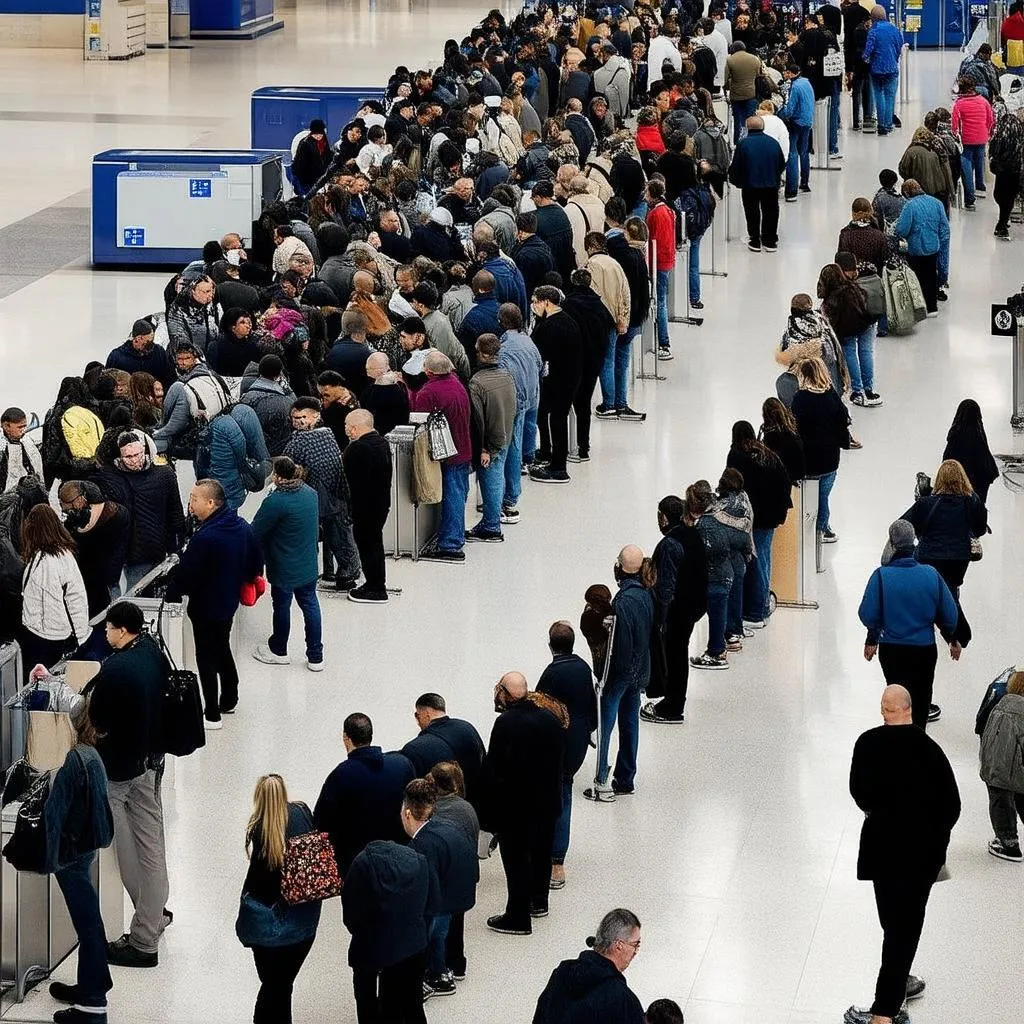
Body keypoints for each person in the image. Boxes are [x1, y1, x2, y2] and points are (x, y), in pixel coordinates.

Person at [846, 685, 960, 1024]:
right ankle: (890, 1003)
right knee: (903, 928)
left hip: (882, 851)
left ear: (883, 709)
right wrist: (936, 841)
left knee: (894, 924)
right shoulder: (931, 750)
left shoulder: (867, 744)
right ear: (910, 709)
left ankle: (887, 1005)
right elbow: (952, 807)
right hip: (921, 857)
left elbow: (859, 791)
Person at [87, 600, 169, 970]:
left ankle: (144, 940)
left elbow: (96, 718)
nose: (104, 634)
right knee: (150, 844)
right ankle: (152, 916)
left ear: (121, 630)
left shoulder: (115, 669)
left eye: (107, 628)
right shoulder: (152, 651)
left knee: (133, 850)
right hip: (152, 760)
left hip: (121, 773)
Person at [166, 479, 263, 728]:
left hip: (204, 607)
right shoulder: (242, 527)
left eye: (194, 499)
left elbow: (187, 577)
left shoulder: (205, 538)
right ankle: (230, 697)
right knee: (222, 647)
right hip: (229, 603)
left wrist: (172, 591)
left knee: (205, 658)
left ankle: (211, 714)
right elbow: (255, 565)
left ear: (211, 503)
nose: (190, 504)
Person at [43, 704, 115, 1024]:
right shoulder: (92, 756)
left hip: (70, 855)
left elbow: (54, 815)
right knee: (89, 921)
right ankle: (92, 982)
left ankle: (93, 1005)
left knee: (88, 925)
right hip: (86, 847)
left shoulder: (74, 760)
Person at [482, 671, 565, 935]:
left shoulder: (506, 723)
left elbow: (495, 769)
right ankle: (538, 902)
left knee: (516, 861)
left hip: (517, 809)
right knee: (541, 854)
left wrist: (488, 814)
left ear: (505, 693)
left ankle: (517, 917)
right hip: (548, 803)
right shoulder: (549, 718)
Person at [858, 520, 960, 729]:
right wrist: (952, 639)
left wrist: (872, 638)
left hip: (893, 651)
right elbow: (949, 615)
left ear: (892, 544)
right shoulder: (931, 574)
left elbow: (868, 614)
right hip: (924, 650)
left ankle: (896, 745)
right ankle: (918, 741)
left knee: (897, 699)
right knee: (921, 701)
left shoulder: (881, 576)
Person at [237, 774, 321, 1024]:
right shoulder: (302, 813)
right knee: (282, 986)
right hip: (305, 926)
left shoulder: (260, 832)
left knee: (273, 986)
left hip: (270, 932)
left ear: (259, 798)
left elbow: (256, 885)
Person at [585, 546, 655, 803]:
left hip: (621, 673)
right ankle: (626, 777)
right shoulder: (646, 595)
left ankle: (601, 778)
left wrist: (609, 676)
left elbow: (618, 644)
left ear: (622, 568)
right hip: (639, 671)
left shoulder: (622, 602)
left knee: (606, 723)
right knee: (630, 724)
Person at [342, 837, 434, 1024]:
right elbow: (430, 904)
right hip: (413, 942)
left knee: (365, 991)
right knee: (412, 1001)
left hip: (369, 943)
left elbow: (351, 913)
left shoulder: (361, 864)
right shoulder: (419, 861)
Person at [401, 778, 478, 997]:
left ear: (407, 813)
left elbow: (425, 890)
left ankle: (429, 977)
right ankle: (440, 972)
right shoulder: (446, 826)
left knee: (428, 932)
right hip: (460, 891)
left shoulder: (421, 844)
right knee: (441, 931)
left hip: (444, 897)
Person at [314, 712, 415, 874]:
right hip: (400, 858)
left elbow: (321, 821)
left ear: (346, 738)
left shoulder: (340, 775)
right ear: (371, 735)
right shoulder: (402, 764)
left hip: (357, 864)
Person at [536, 621, 598, 887]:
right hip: (578, 742)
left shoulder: (552, 673)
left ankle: (553, 858)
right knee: (566, 788)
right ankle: (556, 858)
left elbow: (539, 704)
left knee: (556, 794)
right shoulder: (584, 668)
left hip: (557, 743)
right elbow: (592, 703)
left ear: (550, 645)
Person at [901, 458, 987, 649]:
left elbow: (902, 526)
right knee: (950, 588)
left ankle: (941, 625)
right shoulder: (972, 501)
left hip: (927, 557)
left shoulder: (926, 504)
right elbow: (980, 529)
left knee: (931, 591)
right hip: (958, 558)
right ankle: (955, 627)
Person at [250, 456, 323, 670]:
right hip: (308, 563)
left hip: (284, 566)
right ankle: (315, 656)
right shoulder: (311, 494)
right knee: (310, 605)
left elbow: (256, 531)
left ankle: (279, 649)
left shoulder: (277, 501)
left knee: (281, 605)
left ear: (279, 477)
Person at [283, 397, 361, 590]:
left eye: (301, 417)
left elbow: (285, 462)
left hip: (321, 494)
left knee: (333, 537)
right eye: (294, 418)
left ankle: (342, 571)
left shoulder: (300, 440)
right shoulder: (328, 434)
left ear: (315, 416)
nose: (297, 422)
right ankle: (342, 572)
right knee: (338, 535)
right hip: (336, 491)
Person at [642, 496, 708, 723]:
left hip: (678, 609)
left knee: (675, 654)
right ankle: (671, 699)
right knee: (678, 652)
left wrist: (660, 617)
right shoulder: (692, 534)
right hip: (695, 604)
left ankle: (672, 706)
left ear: (663, 517)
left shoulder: (670, 544)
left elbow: (666, 587)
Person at [94, 434, 185, 591]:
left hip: (151, 550)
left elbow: (175, 513)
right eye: (128, 456)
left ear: (145, 450)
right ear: (120, 456)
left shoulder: (164, 475)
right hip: (121, 553)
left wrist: (175, 548)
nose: (134, 460)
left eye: (137, 455)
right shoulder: (107, 477)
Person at [726, 423, 792, 627]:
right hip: (770, 517)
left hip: (749, 518)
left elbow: (732, 484)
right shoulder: (768, 454)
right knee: (763, 559)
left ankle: (755, 611)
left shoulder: (736, 455)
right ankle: (761, 603)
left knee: (751, 562)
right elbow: (785, 482)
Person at [410, 351, 472, 562]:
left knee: (452, 495)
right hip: (464, 447)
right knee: (460, 492)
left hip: (446, 452)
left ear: (428, 371)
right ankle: (455, 534)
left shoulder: (428, 392)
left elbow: (418, 423)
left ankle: (451, 544)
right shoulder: (457, 383)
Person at [532, 908, 645, 1024]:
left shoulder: (561, 974)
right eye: (635, 944)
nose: (636, 952)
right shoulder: (624, 1001)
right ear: (619, 945)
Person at [18, 504, 89, 672]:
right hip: (63, 633)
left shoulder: (42, 562)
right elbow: (76, 597)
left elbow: (40, 602)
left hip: (42, 635)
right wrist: (80, 634)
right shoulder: (65, 554)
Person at [791, 357, 851, 543]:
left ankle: (815, 529)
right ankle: (823, 528)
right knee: (823, 495)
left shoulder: (800, 399)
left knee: (812, 497)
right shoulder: (831, 395)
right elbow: (844, 420)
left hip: (809, 460)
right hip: (830, 458)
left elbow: (795, 427)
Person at [529, 286, 583, 484]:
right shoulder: (566, 321)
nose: (533, 306)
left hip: (559, 381)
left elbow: (537, 349)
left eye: (536, 302)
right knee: (548, 415)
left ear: (547, 303)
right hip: (569, 379)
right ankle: (546, 452)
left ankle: (559, 467)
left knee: (557, 420)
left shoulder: (552, 326)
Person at [340, 409, 393, 602]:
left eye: (347, 425)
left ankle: (375, 588)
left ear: (353, 429)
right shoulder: (382, 443)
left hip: (364, 507)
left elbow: (347, 479)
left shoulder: (357, 449)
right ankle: (376, 583)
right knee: (375, 544)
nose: (345, 429)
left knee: (367, 546)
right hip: (380, 504)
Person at [496, 304, 543, 520]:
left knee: (510, 449)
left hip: (515, 401)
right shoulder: (528, 341)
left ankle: (509, 500)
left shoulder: (504, 350)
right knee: (523, 438)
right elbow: (541, 366)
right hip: (531, 396)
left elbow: (503, 379)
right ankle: (528, 458)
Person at [468, 334, 516, 542]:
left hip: (490, 444)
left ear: (483, 354)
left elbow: (478, 420)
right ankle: (491, 520)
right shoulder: (507, 376)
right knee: (498, 480)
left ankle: (491, 526)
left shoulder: (477, 383)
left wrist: (484, 448)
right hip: (505, 435)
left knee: (491, 483)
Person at [401, 694, 486, 809]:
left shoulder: (415, 749)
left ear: (426, 714)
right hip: (477, 807)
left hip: (443, 813)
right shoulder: (467, 727)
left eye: (417, 716)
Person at [58, 479, 129, 616]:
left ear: (80, 501)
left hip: (104, 577)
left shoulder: (115, 516)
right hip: (92, 577)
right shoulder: (113, 514)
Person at [818, 255, 880, 408]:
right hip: (866, 322)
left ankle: (857, 390)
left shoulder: (832, 296)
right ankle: (869, 388)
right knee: (866, 352)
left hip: (848, 329)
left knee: (850, 353)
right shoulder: (855, 286)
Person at [979, 671, 1024, 861]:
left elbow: (982, 728)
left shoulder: (998, 706)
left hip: (997, 767)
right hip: (1019, 765)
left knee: (1001, 804)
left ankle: (1009, 844)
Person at [892, 179, 950, 317]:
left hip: (915, 249)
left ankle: (918, 307)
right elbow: (944, 228)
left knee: (916, 278)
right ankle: (932, 307)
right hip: (933, 247)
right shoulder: (937, 203)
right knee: (931, 276)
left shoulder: (909, 206)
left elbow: (902, 229)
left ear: (907, 192)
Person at [728, 116, 785, 253]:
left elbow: (736, 166)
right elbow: (781, 164)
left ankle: (754, 239)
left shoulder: (743, 144)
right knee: (771, 211)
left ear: (748, 128)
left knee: (751, 211)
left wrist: (735, 180)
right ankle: (770, 240)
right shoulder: (773, 143)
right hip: (771, 184)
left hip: (750, 185)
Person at [942, 399, 999, 504]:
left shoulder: (955, 435)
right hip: (979, 486)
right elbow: (988, 467)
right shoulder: (979, 434)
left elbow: (947, 463)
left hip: (957, 490)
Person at [951, 77, 996, 209]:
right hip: (982, 137)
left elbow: (954, 124)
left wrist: (955, 135)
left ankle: (970, 199)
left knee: (966, 166)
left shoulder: (959, 104)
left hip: (966, 139)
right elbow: (991, 119)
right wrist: (987, 132)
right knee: (980, 161)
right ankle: (980, 187)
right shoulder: (983, 101)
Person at [239, 354, 294, 457]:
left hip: (251, 455)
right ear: (279, 375)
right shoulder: (285, 402)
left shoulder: (246, 397)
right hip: (276, 456)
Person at [862, 5, 904, 136]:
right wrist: (894, 58)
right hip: (892, 68)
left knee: (879, 95)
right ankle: (888, 124)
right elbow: (900, 45)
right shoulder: (894, 29)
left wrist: (865, 58)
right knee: (890, 96)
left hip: (877, 69)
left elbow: (868, 50)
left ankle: (881, 126)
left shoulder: (873, 30)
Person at [105, 319, 174, 391]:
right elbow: (108, 383)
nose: (151, 346)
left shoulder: (159, 352)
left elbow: (169, 378)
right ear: (137, 339)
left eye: (152, 341)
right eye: (147, 343)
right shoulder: (117, 357)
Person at [779, 64, 814, 202]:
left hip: (796, 122)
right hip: (808, 121)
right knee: (804, 152)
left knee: (792, 153)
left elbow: (789, 110)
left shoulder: (795, 87)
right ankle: (804, 183)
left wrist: (779, 113)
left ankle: (791, 190)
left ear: (790, 73)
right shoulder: (806, 82)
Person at [724, 41, 763, 144]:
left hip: (736, 95)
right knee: (750, 118)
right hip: (751, 93)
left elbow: (725, 79)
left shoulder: (730, 60)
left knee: (737, 120)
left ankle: (737, 143)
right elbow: (758, 75)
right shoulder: (755, 59)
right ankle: (751, 141)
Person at [837, 198, 890, 275]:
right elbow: (884, 260)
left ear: (853, 213)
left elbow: (841, 261)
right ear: (870, 212)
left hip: (853, 282)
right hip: (875, 281)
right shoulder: (879, 235)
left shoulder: (845, 235)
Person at [1, 407, 43, 493]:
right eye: (20, 427)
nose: (23, 431)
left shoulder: (28, 440)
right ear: (6, 426)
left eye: (24, 426)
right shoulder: (2, 449)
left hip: (33, 490)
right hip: (8, 497)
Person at [291, 118, 332, 195]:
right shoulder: (305, 143)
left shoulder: (324, 142)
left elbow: (327, 156)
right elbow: (299, 164)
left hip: (320, 178)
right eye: (315, 134)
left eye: (320, 134)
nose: (318, 136)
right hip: (307, 180)